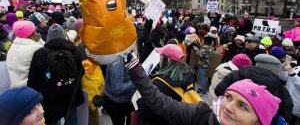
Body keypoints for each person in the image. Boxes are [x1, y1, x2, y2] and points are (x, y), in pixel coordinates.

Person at [121, 53, 281, 125]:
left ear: (259, 121)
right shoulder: (202, 115)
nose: (228, 107)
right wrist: (135, 68)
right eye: (229, 97)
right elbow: (158, 101)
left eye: (242, 106)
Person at [27, 24, 84, 125]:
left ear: (48, 37)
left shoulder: (40, 53)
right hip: (70, 96)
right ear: (63, 35)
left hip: (49, 99)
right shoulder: (73, 50)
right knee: (72, 121)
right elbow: (81, 71)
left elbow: (33, 80)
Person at [137, 44, 194, 125]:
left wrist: (142, 98)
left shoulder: (160, 83)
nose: (159, 57)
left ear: (167, 60)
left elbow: (146, 113)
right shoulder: (189, 75)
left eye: (161, 55)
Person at [93, 60, 136, 125]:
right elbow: (118, 89)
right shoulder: (117, 63)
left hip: (124, 99)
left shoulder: (123, 56)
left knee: (131, 119)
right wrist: (135, 82)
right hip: (117, 103)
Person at [6, 21, 44, 88]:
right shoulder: (36, 48)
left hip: (13, 86)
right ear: (33, 33)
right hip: (29, 89)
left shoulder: (13, 46)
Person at [278, 60, 300, 124]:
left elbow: (293, 76)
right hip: (288, 100)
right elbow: (285, 77)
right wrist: (281, 69)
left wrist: (292, 74)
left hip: (297, 105)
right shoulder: (297, 67)